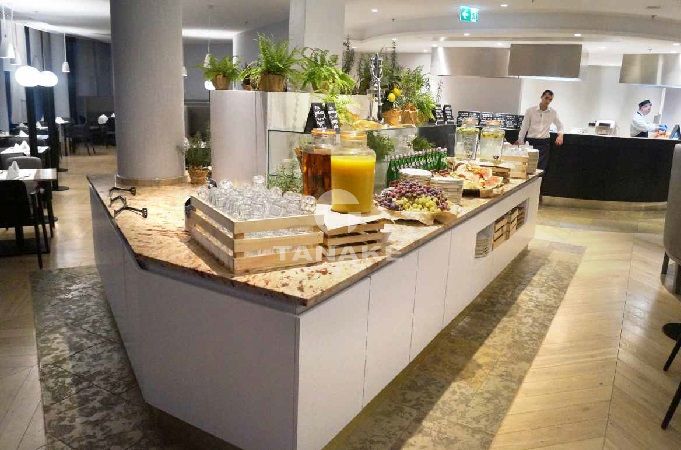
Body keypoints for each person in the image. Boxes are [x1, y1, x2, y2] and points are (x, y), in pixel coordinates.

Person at [516, 90, 564, 171]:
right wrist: (520, 141)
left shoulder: (553, 112)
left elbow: (560, 125)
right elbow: (524, 127)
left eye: (550, 99)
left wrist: (560, 135)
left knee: (541, 168)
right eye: (546, 98)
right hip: (531, 142)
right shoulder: (530, 110)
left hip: (544, 143)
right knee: (529, 166)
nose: (548, 101)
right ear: (541, 97)